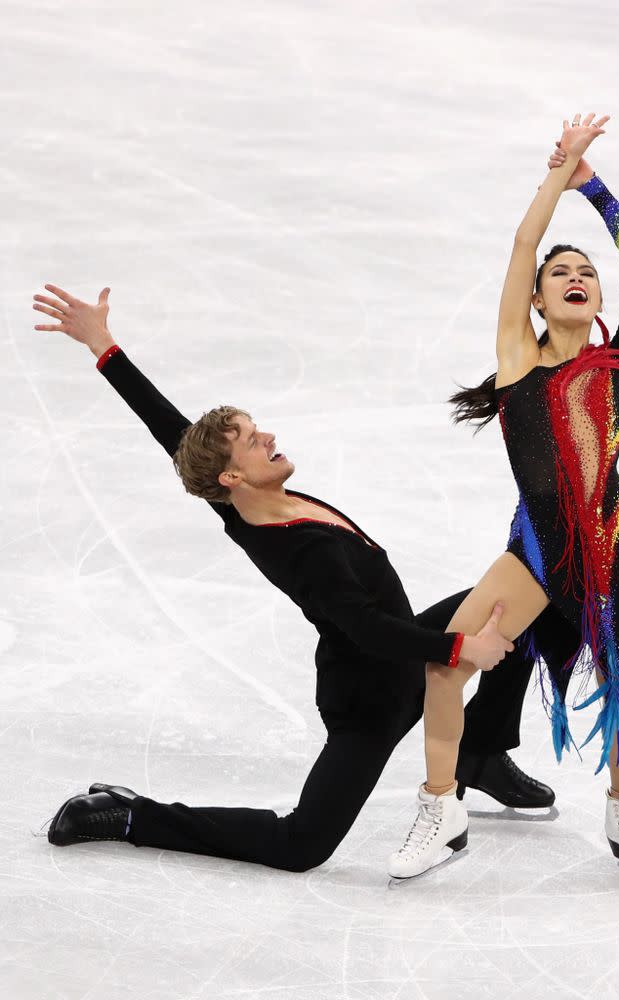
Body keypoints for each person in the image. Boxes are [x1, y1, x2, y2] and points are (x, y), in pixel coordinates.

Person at [33, 283, 569, 873]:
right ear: (233, 477)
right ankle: (133, 815)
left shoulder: (242, 498)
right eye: (251, 441)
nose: (267, 437)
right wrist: (465, 647)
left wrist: (103, 347)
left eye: (255, 428)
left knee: (539, 596)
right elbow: (367, 630)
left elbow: (172, 433)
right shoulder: (300, 552)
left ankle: (483, 751)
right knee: (300, 846)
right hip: (374, 696)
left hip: (404, 647)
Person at [388, 113, 619, 879]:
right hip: (540, 550)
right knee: (450, 663)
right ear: (540, 305)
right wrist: (559, 176)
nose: (575, 276)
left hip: (615, 543)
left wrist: (597, 189)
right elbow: (523, 246)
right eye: (561, 275)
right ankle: (440, 807)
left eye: (584, 272)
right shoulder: (519, 361)